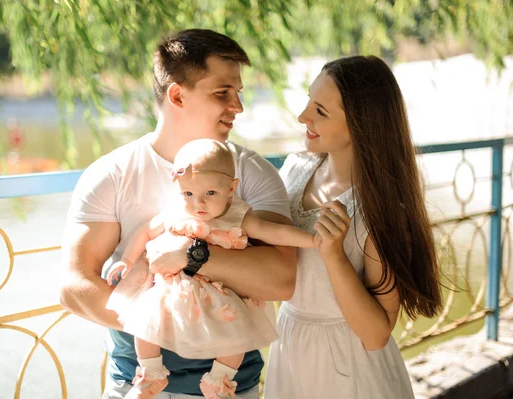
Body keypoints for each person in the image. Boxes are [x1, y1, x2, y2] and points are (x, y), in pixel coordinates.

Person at [59, 29, 297, 399]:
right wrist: (164, 329)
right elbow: (74, 287)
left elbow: (281, 279)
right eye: (223, 93)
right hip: (135, 387)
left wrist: (191, 257)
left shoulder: (253, 173)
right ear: (176, 95)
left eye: (238, 93)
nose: (238, 106)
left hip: (230, 389)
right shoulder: (112, 173)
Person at [263, 55, 443, 399]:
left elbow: (376, 335)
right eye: (308, 103)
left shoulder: (381, 208)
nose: (303, 117)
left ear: (361, 123)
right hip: (288, 348)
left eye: (320, 111)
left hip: (351, 371)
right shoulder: (294, 169)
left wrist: (334, 256)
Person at [105, 138, 319, 399]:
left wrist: (312, 240)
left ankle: (219, 381)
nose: (199, 204)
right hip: (172, 290)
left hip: (219, 293)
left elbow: (273, 232)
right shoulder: (176, 212)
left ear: (231, 189)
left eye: (210, 194)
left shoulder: (238, 217)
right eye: (188, 194)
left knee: (238, 331)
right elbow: (146, 232)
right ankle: (151, 373)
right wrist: (126, 260)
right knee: (145, 320)